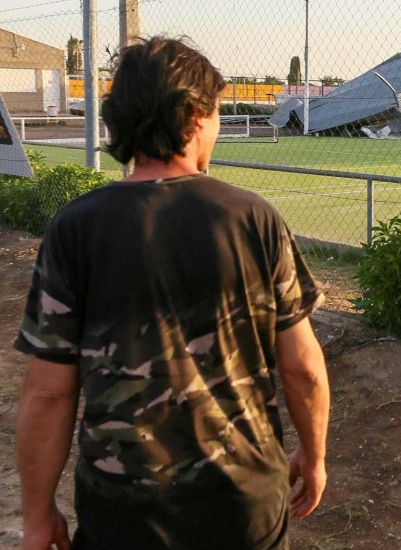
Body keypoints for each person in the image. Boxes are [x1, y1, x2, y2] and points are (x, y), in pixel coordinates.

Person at [14, 36, 330, 550]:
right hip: (242, 504)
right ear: (192, 116)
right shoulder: (254, 220)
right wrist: (313, 457)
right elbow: (303, 368)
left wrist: (36, 516)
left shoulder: (75, 229)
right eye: (217, 115)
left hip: (123, 511)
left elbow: (48, 392)